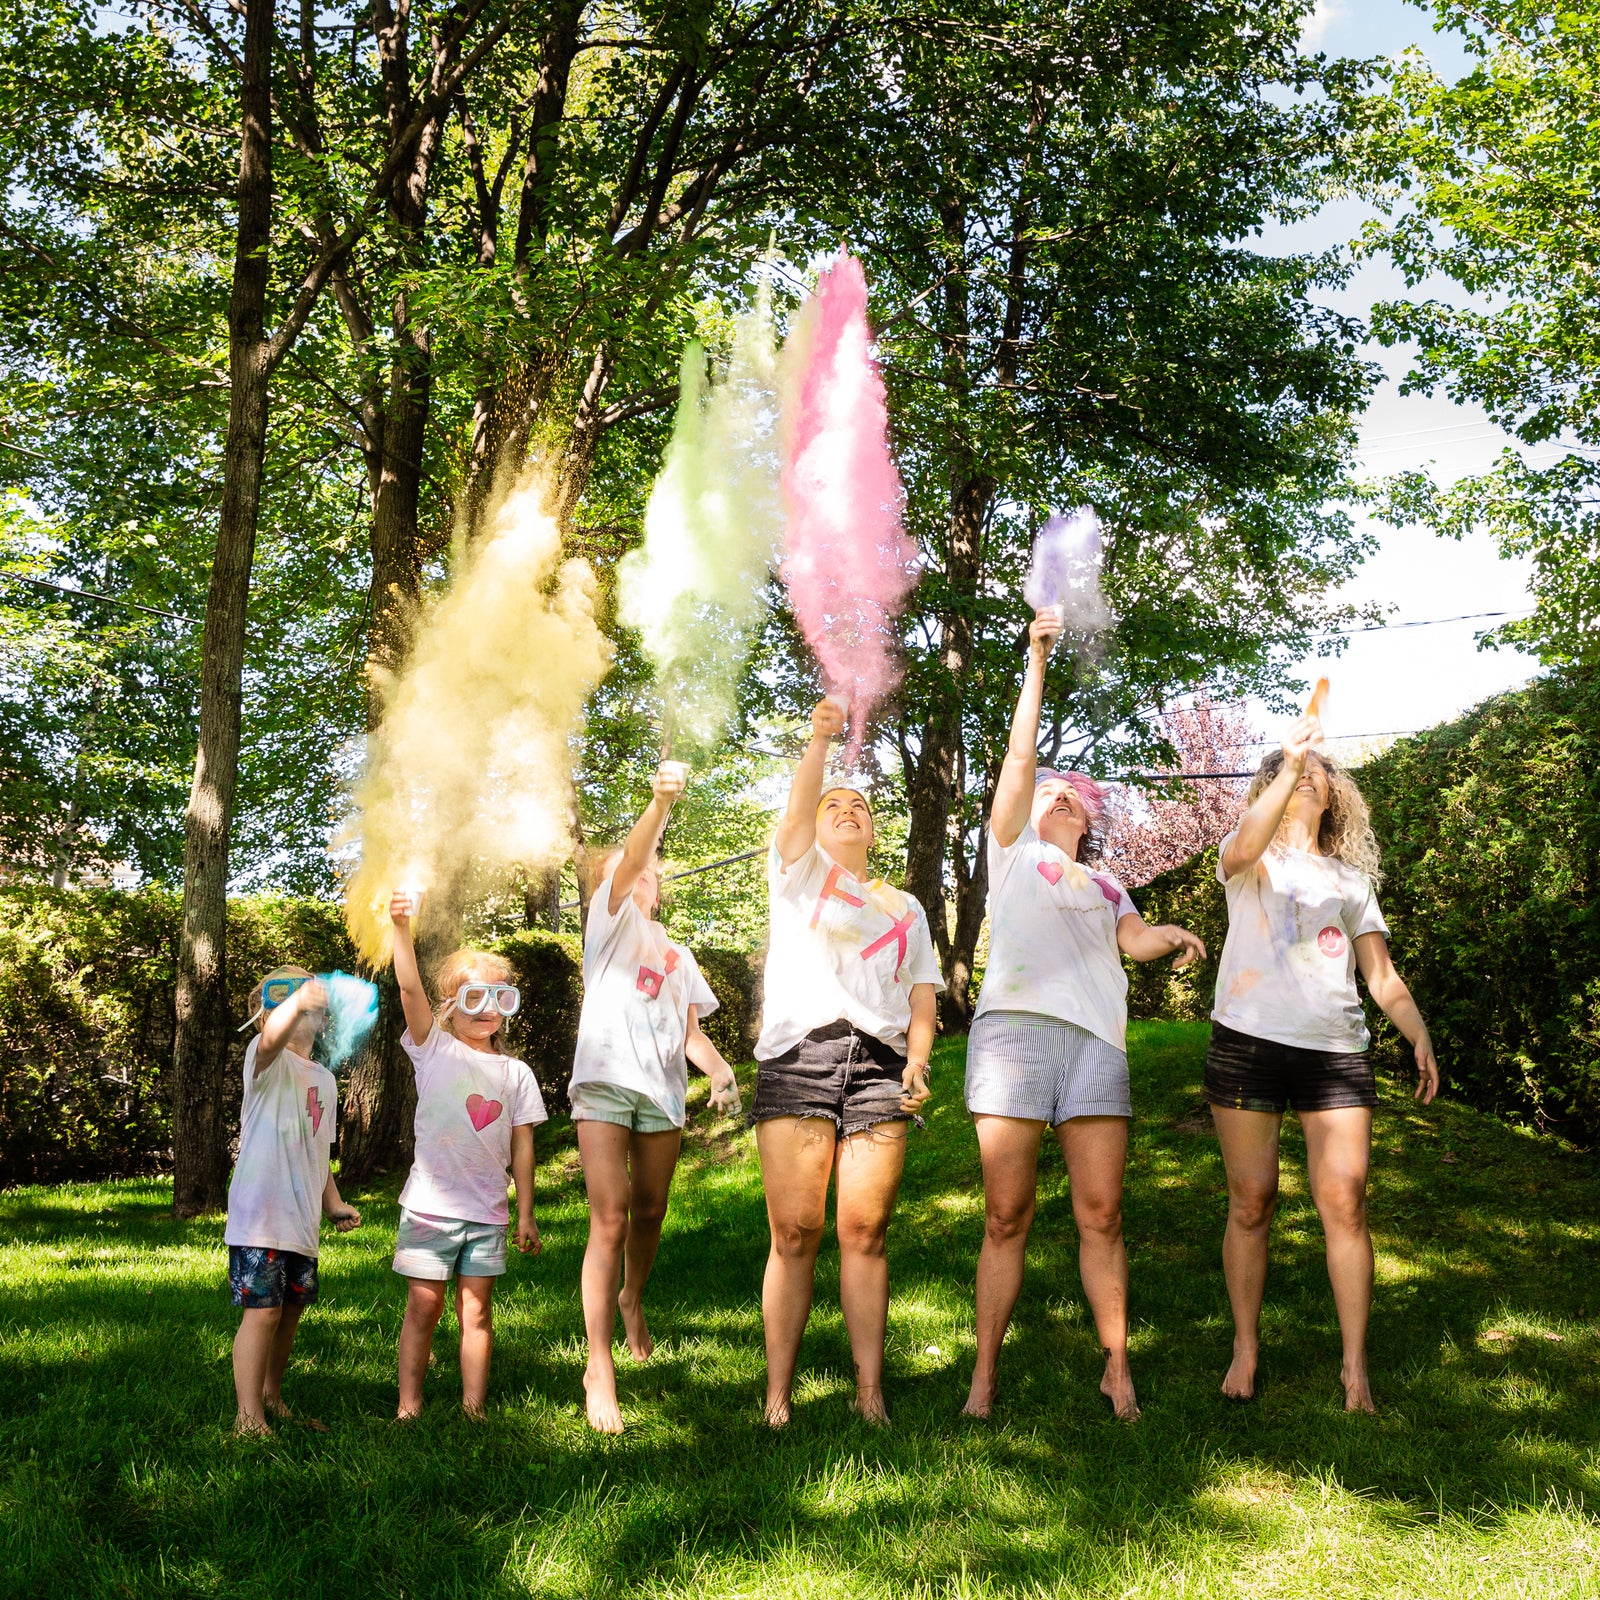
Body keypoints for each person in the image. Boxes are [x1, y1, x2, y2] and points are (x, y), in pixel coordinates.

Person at [962, 609, 1207, 1422]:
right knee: (1007, 1214)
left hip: (1098, 1044)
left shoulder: (1108, 885)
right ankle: (984, 1380)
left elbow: (1132, 942)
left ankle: (1118, 1370)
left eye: (1074, 795)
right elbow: (1022, 756)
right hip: (1014, 1039)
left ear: (1086, 820)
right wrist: (1037, 660)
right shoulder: (1011, 853)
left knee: (1102, 1213)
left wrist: (1164, 935)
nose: (1060, 795)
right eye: (1049, 791)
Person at [1207, 711, 1439, 1412]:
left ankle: (1354, 1368)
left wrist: (1418, 1033)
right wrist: (1286, 763)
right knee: (1252, 1201)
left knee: (1345, 1203)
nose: (1311, 775)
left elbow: (1383, 978)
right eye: (1292, 772)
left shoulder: (1351, 881)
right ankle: (1246, 1348)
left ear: (1336, 795)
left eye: (1319, 772)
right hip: (1247, 1040)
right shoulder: (1246, 856)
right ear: (1272, 783)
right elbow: (1249, 840)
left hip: (1335, 1052)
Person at [751, 696, 943, 1427]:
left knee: (864, 1233)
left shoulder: (905, 907)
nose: (847, 809)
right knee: (795, 1231)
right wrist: (818, 745)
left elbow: (922, 994)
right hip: (802, 1055)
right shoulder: (795, 873)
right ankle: (777, 1396)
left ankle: (870, 1393)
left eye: (859, 804)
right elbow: (799, 814)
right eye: (836, 803)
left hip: (879, 1066)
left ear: (873, 828)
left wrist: (917, 1061)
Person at [570, 761, 743, 1434]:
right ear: (611, 884)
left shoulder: (679, 954)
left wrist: (721, 1071)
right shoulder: (607, 922)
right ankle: (598, 1365)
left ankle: (631, 1297)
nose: (644, 872)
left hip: (663, 1096)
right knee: (609, 1217)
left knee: (650, 1211)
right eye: (631, 867)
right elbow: (637, 849)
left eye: (651, 872)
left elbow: (690, 1033)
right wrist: (660, 802)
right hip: (608, 1084)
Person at [388, 896, 546, 1418]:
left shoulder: (516, 1074)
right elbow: (409, 988)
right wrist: (401, 927)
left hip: (486, 1213)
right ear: (450, 1005)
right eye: (473, 996)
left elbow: (522, 1146)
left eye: (499, 998)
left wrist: (524, 1211)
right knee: (424, 1306)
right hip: (430, 1208)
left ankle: (472, 1408)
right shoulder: (432, 1048)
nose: (486, 1009)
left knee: (477, 1311)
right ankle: (409, 1406)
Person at [224, 966, 361, 1435]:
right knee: (262, 1311)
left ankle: (271, 1395)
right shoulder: (264, 1060)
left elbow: (318, 1150)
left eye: (308, 995)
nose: (302, 1000)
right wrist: (294, 1004)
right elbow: (271, 1039)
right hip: (260, 1216)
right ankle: (248, 1417)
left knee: (289, 1312)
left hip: (301, 1222)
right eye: (284, 996)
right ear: (264, 1017)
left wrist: (334, 1203)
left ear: (323, 1020)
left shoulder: (324, 1078)